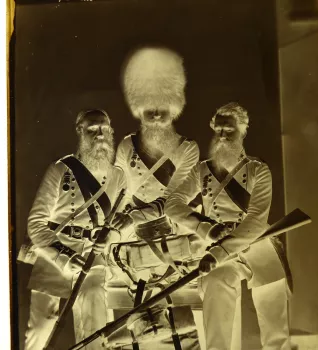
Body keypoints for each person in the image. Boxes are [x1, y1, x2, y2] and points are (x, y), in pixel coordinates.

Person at [165, 102, 292, 350]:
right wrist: (206, 228)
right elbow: (173, 204)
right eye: (219, 129)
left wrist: (218, 251)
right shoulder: (202, 171)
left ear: (243, 132)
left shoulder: (258, 170)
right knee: (215, 280)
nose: (223, 135)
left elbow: (256, 220)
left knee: (274, 321)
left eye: (230, 130)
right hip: (219, 249)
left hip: (255, 245)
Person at [109, 46, 202, 350]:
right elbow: (119, 192)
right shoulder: (125, 147)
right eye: (150, 108)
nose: (157, 115)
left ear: (175, 106)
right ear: (138, 108)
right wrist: (120, 220)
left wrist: (134, 217)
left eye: (163, 107)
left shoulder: (188, 149)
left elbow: (175, 200)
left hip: (172, 227)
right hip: (132, 232)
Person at [23, 109, 126, 350]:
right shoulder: (60, 169)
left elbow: (123, 221)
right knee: (41, 329)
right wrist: (64, 256)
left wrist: (112, 234)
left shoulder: (118, 176)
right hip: (53, 253)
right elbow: (36, 223)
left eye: (104, 129)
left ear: (110, 131)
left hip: (92, 257)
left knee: (94, 322)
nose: (99, 134)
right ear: (80, 131)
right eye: (92, 129)